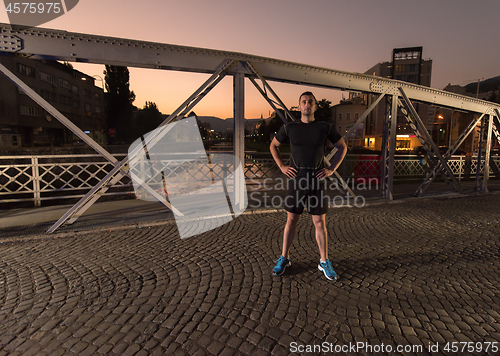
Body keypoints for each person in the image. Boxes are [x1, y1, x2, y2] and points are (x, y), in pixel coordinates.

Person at [269, 91, 347, 281]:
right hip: (296, 180)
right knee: (291, 221)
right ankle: (284, 258)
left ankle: (323, 261)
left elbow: (343, 147)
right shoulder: (289, 127)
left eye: (310, 102)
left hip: (317, 179)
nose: (307, 105)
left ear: (315, 106)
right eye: (303, 102)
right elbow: (273, 146)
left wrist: (332, 169)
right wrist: (281, 166)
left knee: (319, 223)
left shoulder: (324, 126)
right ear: (298, 107)